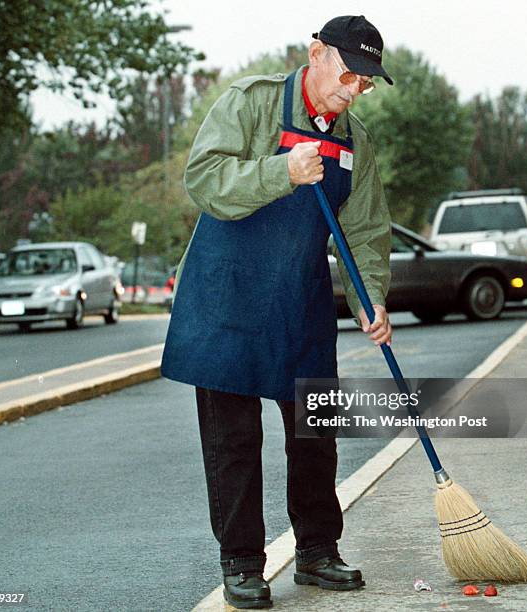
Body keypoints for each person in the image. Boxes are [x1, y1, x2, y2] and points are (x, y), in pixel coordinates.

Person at [162, 15, 393, 610]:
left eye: (365, 84)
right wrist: (282, 171)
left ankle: (317, 553)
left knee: (314, 431)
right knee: (234, 440)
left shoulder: (354, 141)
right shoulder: (251, 104)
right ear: (315, 53)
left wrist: (374, 297)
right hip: (227, 299)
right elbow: (204, 179)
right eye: (347, 74)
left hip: (300, 300)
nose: (353, 91)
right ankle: (242, 564)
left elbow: (365, 228)